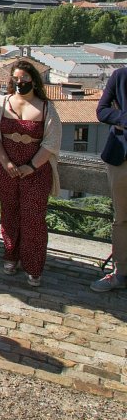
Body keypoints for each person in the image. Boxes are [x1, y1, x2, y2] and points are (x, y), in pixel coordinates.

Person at [0, 60, 61, 287]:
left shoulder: (47, 108)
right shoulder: (1, 103)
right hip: (5, 169)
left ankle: (34, 266)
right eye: (16, 79)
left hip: (36, 172)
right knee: (9, 212)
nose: (20, 83)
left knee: (34, 218)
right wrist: (6, 162)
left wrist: (31, 166)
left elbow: (51, 142)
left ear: (34, 81)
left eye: (25, 79)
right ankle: (10, 255)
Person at [94, 65, 127, 291]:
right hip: (121, 159)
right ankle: (121, 273)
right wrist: (124, 118)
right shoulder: (121, 75)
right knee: (122, 219)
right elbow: (102, 111)